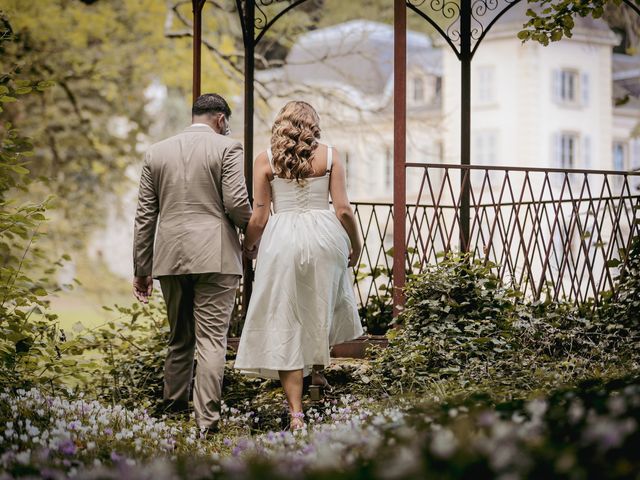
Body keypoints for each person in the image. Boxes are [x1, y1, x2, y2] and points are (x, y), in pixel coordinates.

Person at [234, 100, 363, 430]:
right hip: (325, 238)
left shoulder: (266, 159)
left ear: (283, 124)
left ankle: (296, 414)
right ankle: (317, 376)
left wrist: (248, 245)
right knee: (319, 306)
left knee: (286, 318)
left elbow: (260, 215)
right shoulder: (331, 156)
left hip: (283, 240)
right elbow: (344, 210)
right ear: (314, 125)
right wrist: (356, 244)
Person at [132, 93, 252, 433]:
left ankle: (171, 413)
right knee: (212, 340)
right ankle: (206, 423)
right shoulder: (227, 148)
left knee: (179, 338)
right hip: (216, 256)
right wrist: (253, 229)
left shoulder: (156, 152)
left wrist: (142, 269)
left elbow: (144, 216)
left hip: (169, 257)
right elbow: (236, 203)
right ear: (220, 119)